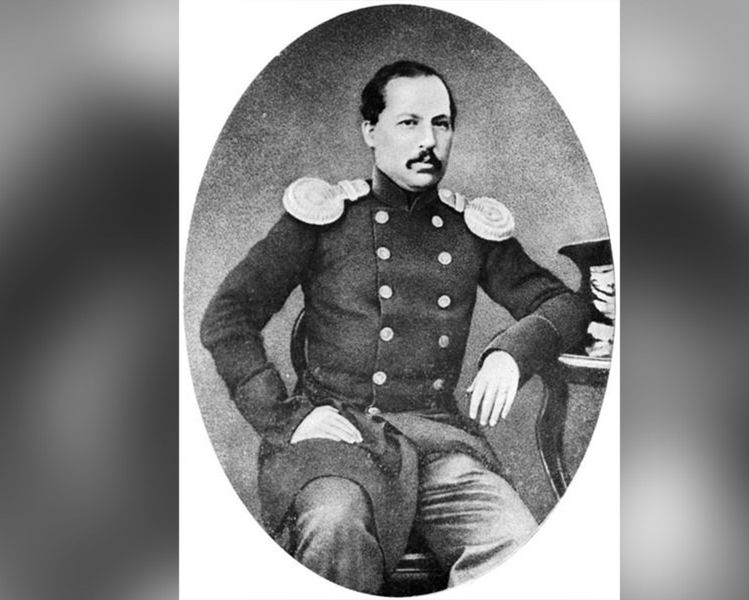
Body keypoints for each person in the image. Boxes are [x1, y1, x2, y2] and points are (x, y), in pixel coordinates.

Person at [200, 60, 589, 594]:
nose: (429, 141)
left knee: (514, 541)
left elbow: (565, 304)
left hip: (438, 441)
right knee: (333, 528)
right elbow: (227, 316)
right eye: (409, 123)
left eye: (441, 124)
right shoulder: (325, 218)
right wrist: (287, 417)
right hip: (336, 442)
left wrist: (511, 353)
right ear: (370, 131)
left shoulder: (469, 228)